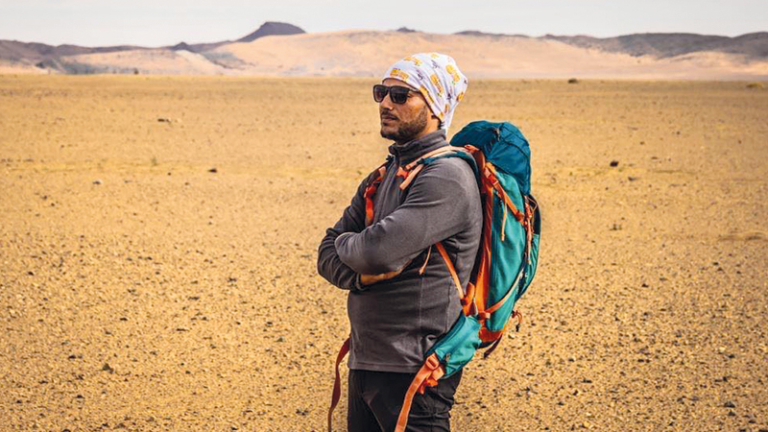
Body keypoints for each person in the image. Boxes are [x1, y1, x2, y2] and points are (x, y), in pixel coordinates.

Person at [317, 53, 481, 432]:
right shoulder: (386, 172)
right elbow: (326, 253)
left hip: (415, 367)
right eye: (382, 93)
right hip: (368, 360)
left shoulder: (447, 178)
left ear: (436, 106)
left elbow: (376, 252)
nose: (386, 104)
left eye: (401, 95)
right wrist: (359, 276)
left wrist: (354, 247)